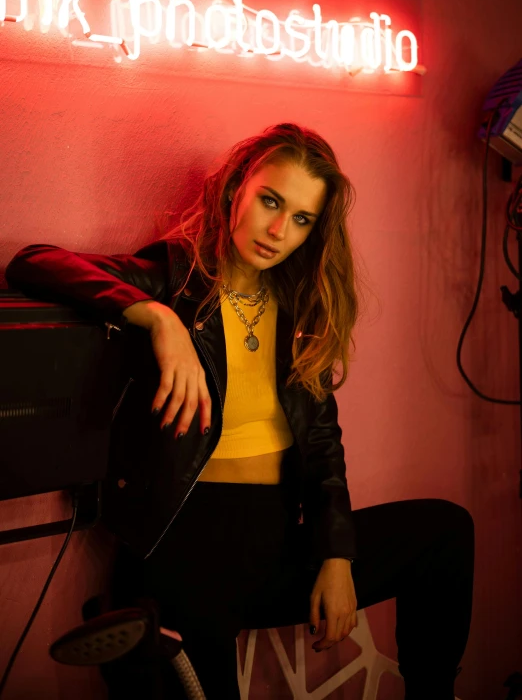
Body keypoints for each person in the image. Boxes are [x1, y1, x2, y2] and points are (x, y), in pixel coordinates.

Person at [5, 123, 474, 700]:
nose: (279, 231)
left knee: (446, 530)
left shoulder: (298, 305)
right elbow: (34, 262)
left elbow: (323, 444)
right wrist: (156, 317)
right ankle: (141, 623)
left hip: (277, 543)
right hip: (187, 549)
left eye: (301, 219)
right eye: (270, 202)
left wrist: (336, 555)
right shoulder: (173, 280)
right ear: (235, 192)